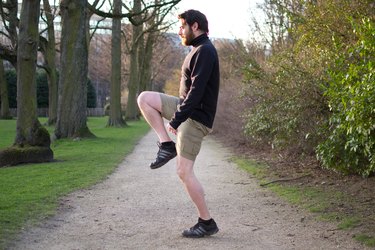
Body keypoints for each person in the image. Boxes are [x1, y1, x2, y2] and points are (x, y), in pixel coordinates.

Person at [137, 9, 220, 238]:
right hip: (186, 107)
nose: (179, 31)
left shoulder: (205, 51)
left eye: (182, 26)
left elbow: (197, 91)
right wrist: (177, 117)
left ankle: (206, 222)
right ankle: (166, 145)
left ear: (195, 26)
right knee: (145, 98)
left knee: (184, 172)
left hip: (196, 117)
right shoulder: (196, 50)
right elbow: (189, 95)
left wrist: (176, 119)